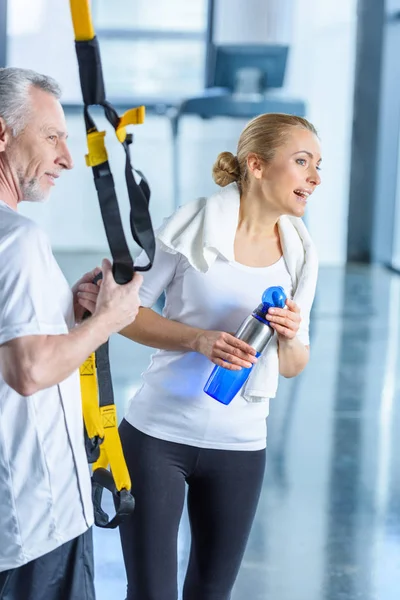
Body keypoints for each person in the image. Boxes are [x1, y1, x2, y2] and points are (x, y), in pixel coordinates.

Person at [117, 113, 321, 600]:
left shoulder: (300, 254)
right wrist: (197, 340)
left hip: (241, 446)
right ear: (256, 164)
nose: (315, 177)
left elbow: (294, 365)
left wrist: (291, 338)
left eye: (318, 165)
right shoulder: (191, 226)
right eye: (301, 161)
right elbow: (124, 314)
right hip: (156, 437)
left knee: (211, 593)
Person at [0, 67, 143, 600]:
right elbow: (29, 370)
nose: (66, 157)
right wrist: (110, 319)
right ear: (2, 134)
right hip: (37, 522)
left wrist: (68, 319)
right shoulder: (17, 239)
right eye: (52, 136)